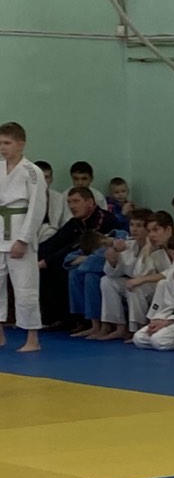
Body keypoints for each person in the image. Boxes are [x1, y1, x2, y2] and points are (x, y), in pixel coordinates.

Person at [38, 187, 116, 329]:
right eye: (69, 202)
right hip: (78, 258)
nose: (72, 206)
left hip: (100, 263)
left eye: (76, 201)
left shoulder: (103, 219)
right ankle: (55, 318)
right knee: (46, 268)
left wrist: (46, 262)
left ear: (90, 202)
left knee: (63, 268)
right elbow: (55, 241)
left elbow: (80, 246)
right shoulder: (76, 222)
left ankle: (81, 320)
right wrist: (35, 256)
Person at [0, 121, 47, 353]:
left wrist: (23, 239)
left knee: (25, 288)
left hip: (20, 232)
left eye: (7, 143)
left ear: (21, 144)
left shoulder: (32, 171)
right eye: (0, 143)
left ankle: (32, 338)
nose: (2, 147)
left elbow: (37, 209)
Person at [95, 208, 168, 341]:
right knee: (106, 281)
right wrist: (113, 261)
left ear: (147, 229)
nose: (134, 229)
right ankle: (119, 327)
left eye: (139, 226)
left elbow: (140, 273)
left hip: (154, 286)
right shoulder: (128, 244)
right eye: (132, 225)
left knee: (134, 287)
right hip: (137, 283)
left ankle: (137, 329)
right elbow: (113, 273)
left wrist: (147, 249)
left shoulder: (155, 246)